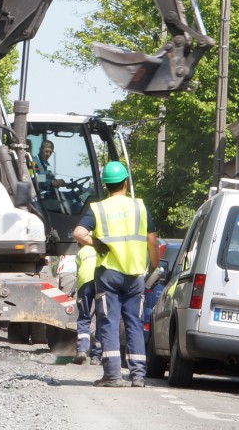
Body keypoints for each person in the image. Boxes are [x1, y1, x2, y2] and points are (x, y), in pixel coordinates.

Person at [73, 161, 159, 388]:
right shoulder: (140, 207)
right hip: (135, 276)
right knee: (134, 323)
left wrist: (97, 244)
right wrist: (153, 267)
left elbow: (79, 233)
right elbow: (152, 241)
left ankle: (112, 375)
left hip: (109, 275)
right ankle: (138, 376)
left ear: (105, 185)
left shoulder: (98, 208)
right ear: (125, 182)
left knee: (109, 322)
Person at [72, 243, 103, 366]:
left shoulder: (81, 251)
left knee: (84, 316)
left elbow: (78, 271)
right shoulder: (101, 247)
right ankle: (96, 356)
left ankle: (82, 350)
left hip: (84, 283)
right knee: (102, 318)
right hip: (101, 281)